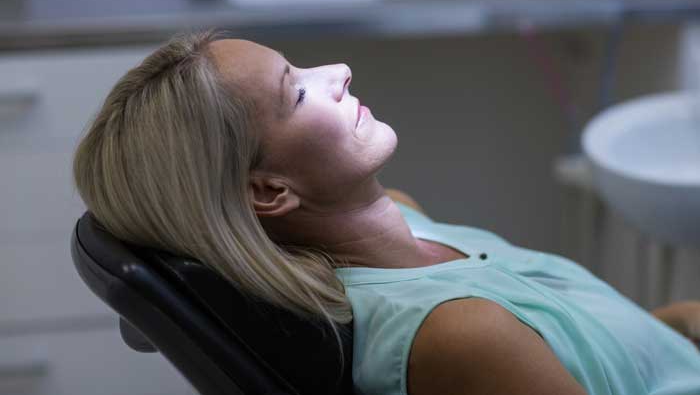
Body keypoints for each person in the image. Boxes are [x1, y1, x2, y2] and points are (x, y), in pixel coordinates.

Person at [72, 30, 700, 395]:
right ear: (269, 192)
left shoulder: (407, 222)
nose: (339, 71)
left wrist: (671, 327)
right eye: (297, 91)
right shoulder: (458, 335)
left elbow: (578, 348)